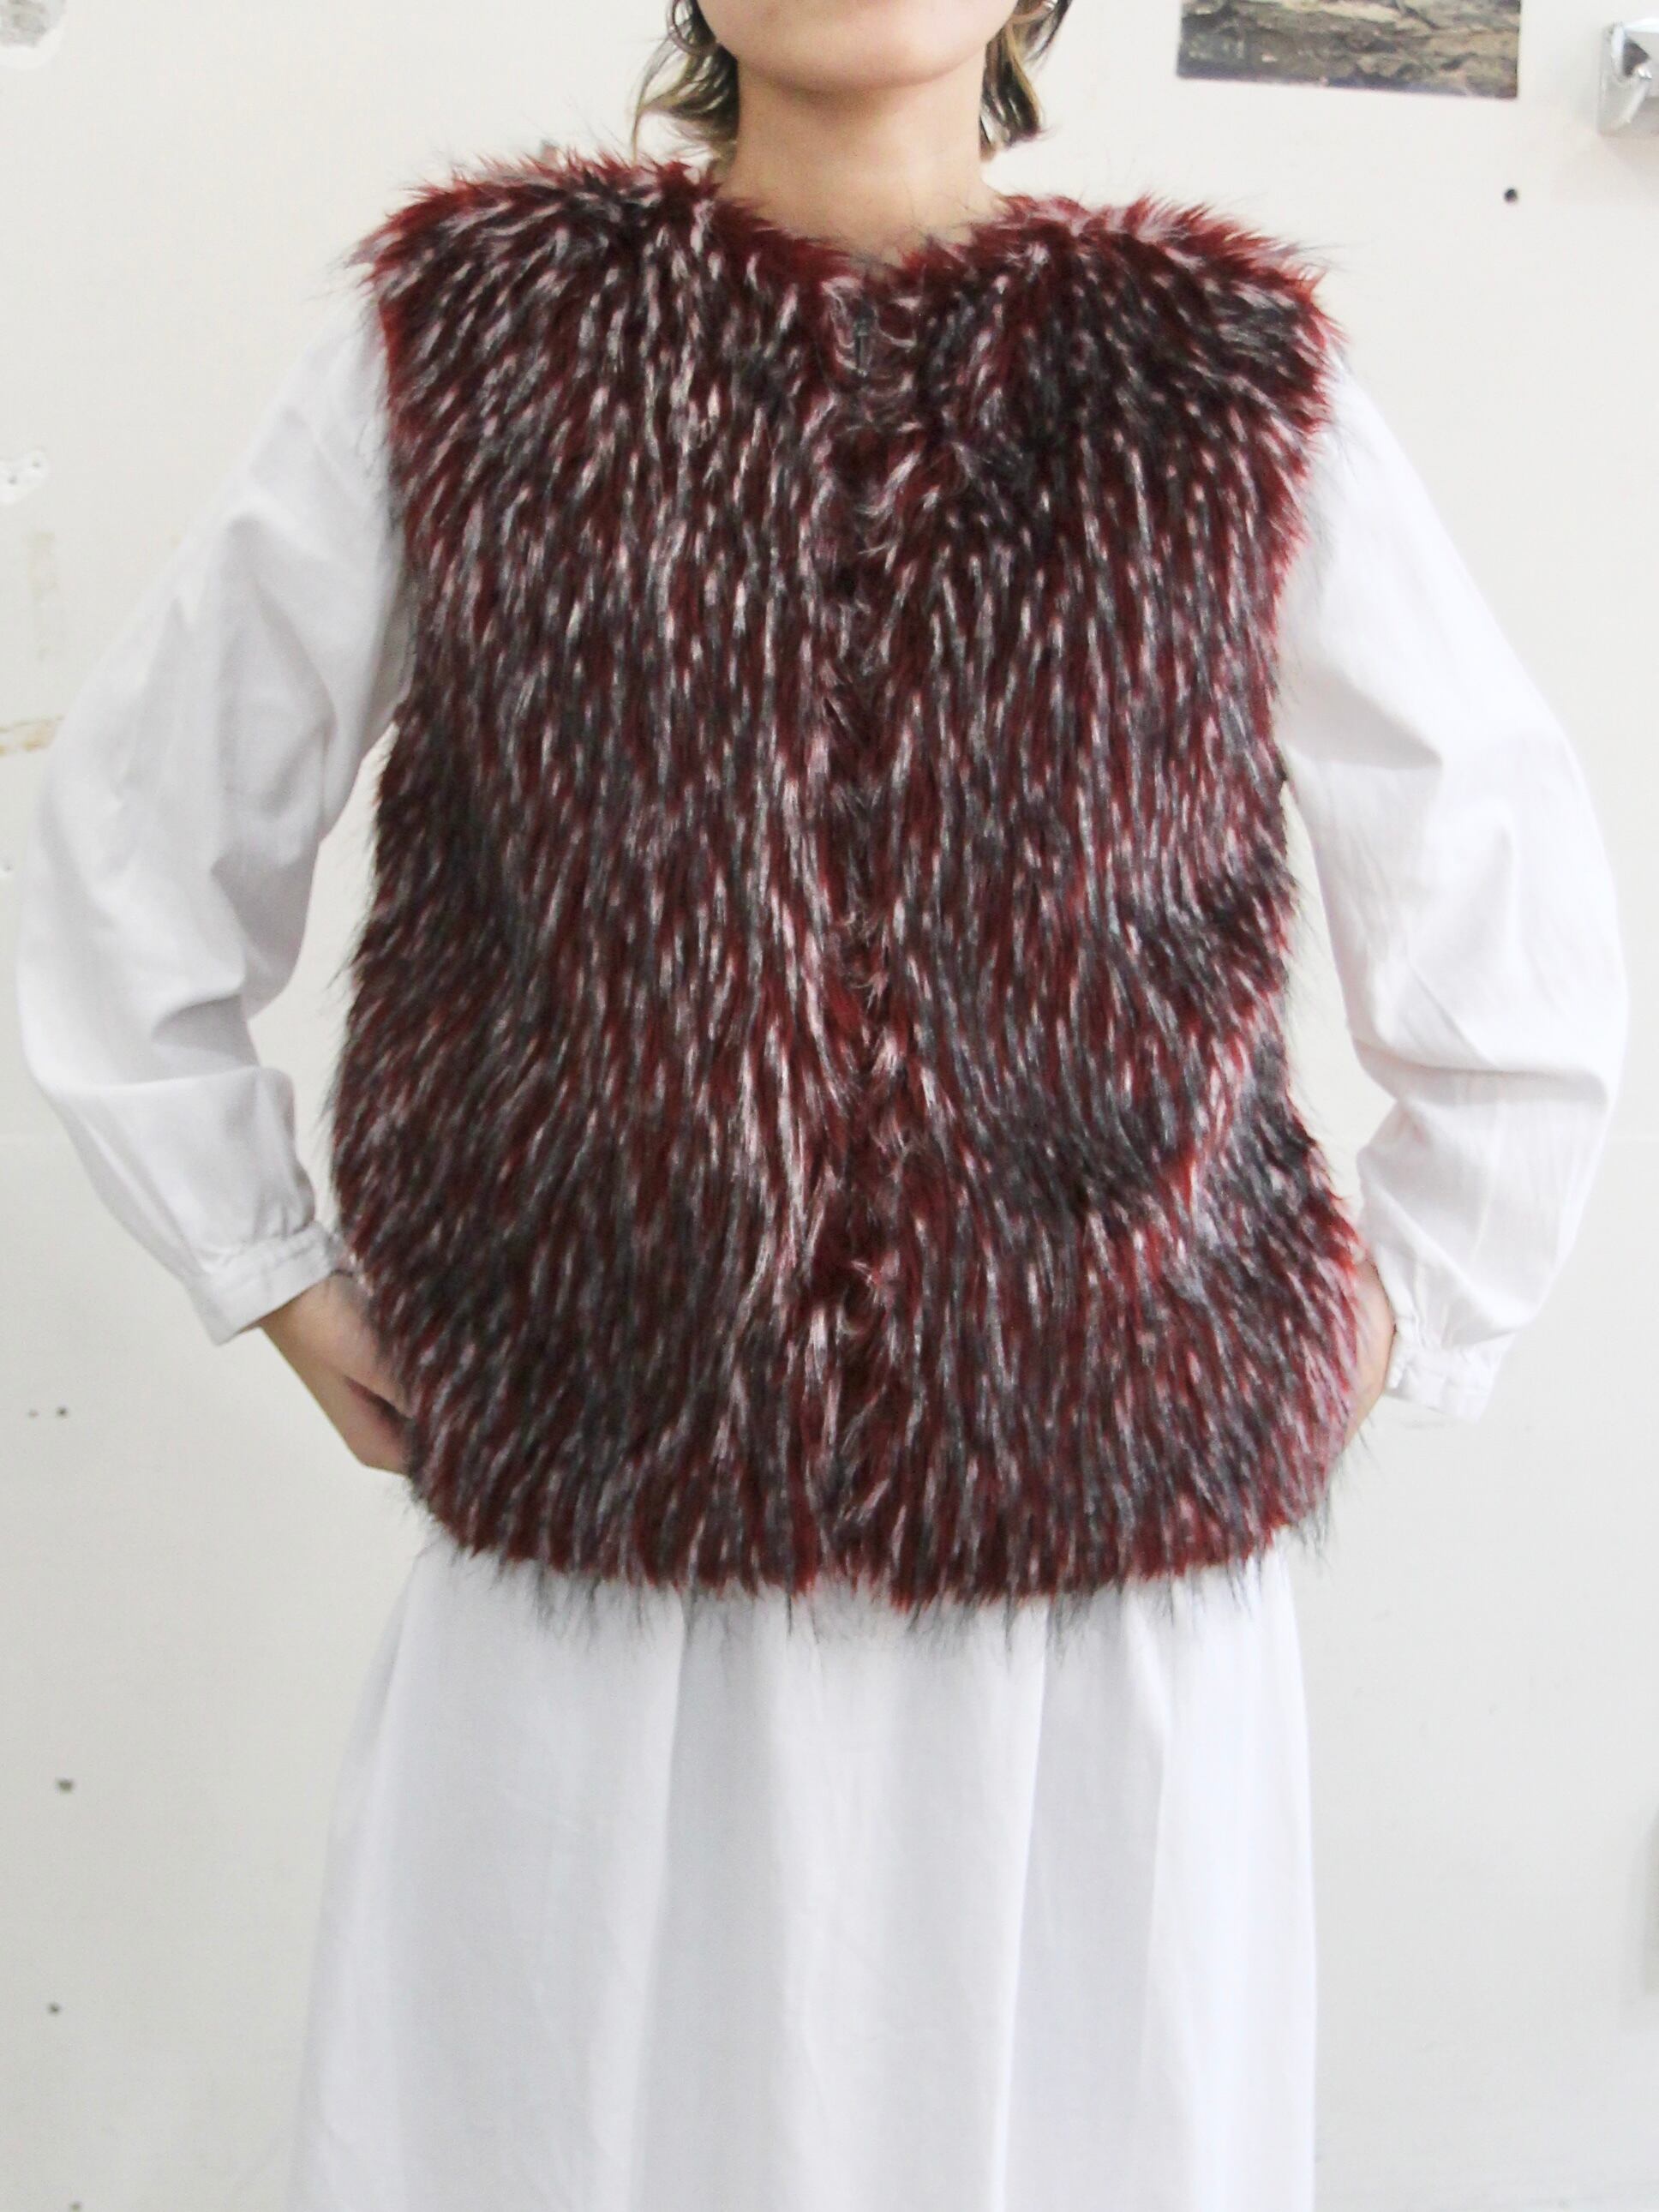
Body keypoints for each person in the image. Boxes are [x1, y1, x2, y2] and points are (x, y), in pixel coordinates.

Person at [14, 2, 1629, 2206]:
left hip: (1089, 1611)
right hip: (600, 1573)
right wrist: (264, 1268)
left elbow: (1499, 899)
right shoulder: (471, 350)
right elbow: (135, 841)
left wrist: (1382, 1317)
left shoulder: (1220, 382)